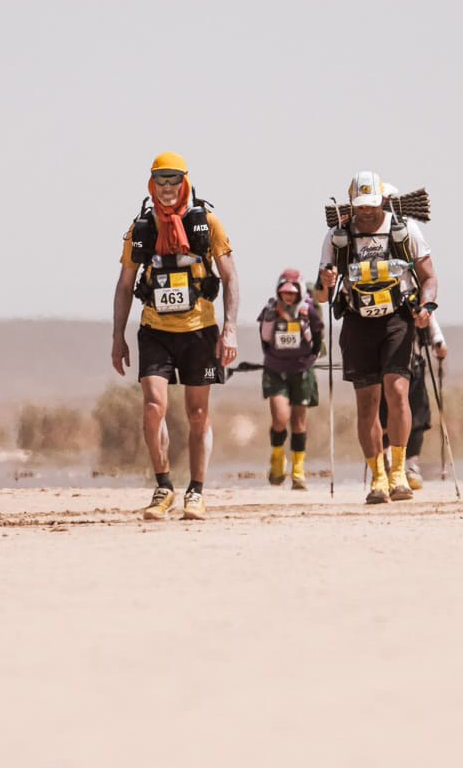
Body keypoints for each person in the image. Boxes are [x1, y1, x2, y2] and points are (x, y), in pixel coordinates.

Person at [111, 151, 239, 520]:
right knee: (153, 406)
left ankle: (196, 492)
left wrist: (229, 330)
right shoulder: (141, 230)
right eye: (160, 181)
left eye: (174, 181)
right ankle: (163, 485)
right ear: (152, 184)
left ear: (184, 182)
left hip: (200, 331)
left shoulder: (207, 222)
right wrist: (117, 336)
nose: (167, 189)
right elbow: (124, 284)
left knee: (198, 414)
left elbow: (230, 277)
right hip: (155, 330)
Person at [314, 170, 439, 504]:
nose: (367, 211)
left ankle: (399, 472)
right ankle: (378, 477)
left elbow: (429, 276)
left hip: (397, 320)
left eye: (372, 204)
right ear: (352, 205)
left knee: (398, 391)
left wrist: (427, 306)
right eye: (360, 206)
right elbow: (320, 296)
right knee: (366, 402)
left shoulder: (404, 230)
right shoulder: (338, 236)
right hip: (357, 322)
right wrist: (326, 281)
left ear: (383, 200)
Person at [258, 268, 324, 490]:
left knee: (298, 422)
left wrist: (310, 358)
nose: (287, 296)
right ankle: (277, 458)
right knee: (280, 417)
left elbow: (318, 336)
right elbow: (264, 339)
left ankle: (298, 470)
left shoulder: (309, 311)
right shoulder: (270, 311)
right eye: (284, 291)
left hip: (302, 372)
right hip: (276, 371)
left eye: (292, 292)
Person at [379, 316, 447, 490]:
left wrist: (438, 342)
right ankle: (386, 462)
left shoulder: (415, 300)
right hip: (383, 365)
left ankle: (410, 465)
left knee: (416, 415)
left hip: (413, 365)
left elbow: (431, 322)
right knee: (384, 414)